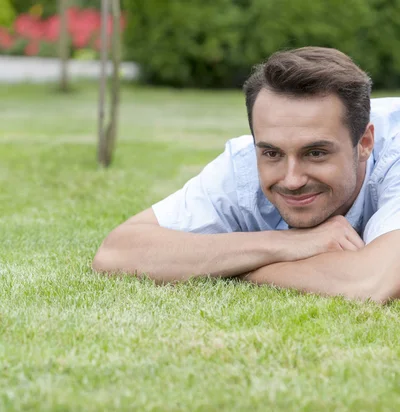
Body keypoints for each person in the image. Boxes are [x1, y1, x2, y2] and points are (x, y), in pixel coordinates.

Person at [92, 47, 400, 303]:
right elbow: (116, 253)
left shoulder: (394, 155)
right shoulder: (243, 165)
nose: (291, 179)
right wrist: (285, 244)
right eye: (272, 153)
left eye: (316, 153)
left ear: (364, 143)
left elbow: (370, 283)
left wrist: (231, 268)